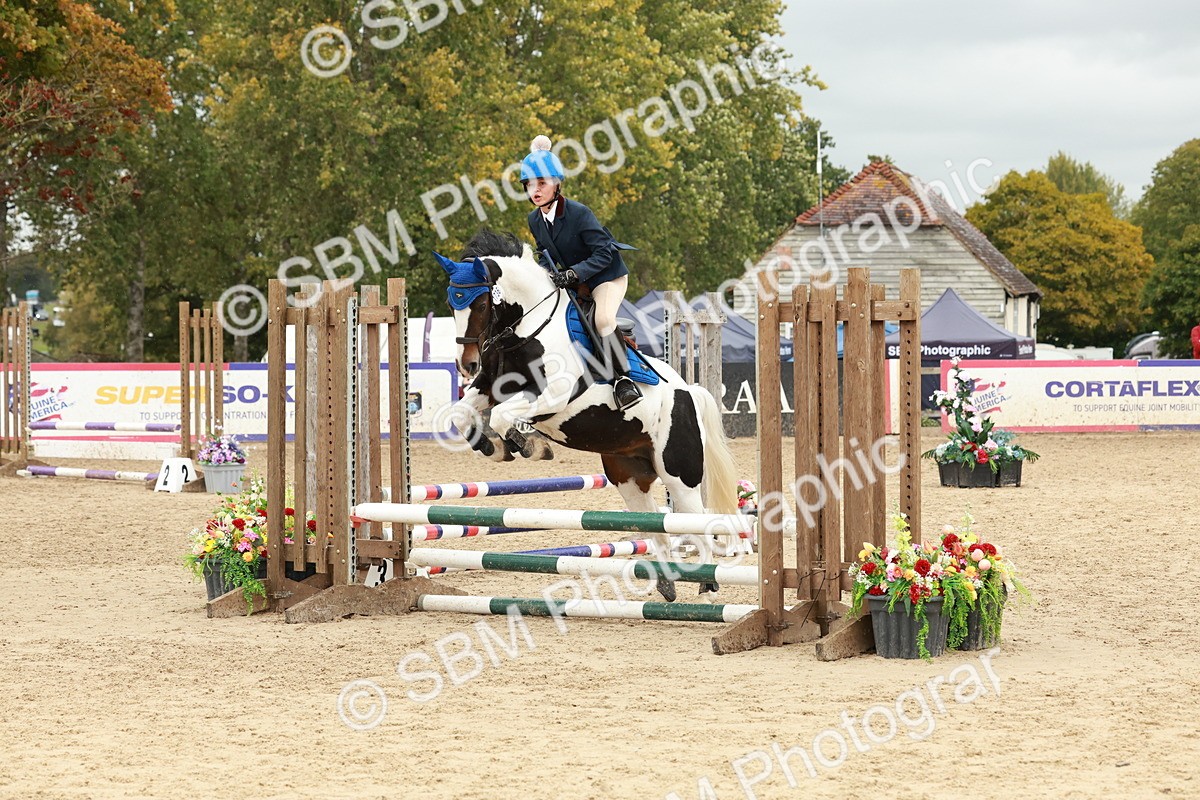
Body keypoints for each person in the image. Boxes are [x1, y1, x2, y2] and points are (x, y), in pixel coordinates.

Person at [519, 135, 642, 409]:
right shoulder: (534, 219)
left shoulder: (579, 213)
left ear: (557, 185)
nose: (535, 190)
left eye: (542, 183)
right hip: (574, 282)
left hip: (606, 276)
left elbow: (604, 252)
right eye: (529, 184)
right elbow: (544, 254)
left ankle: (623, 381)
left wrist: (573, 274)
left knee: (602, 319)